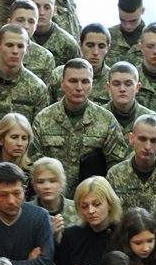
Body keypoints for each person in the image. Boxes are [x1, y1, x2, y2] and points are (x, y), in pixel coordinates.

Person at [32, 58, 129, 191]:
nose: (79, 87)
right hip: (52, 196)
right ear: (62, 84)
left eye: (85, 81)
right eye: (73, 81)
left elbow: (117, 167)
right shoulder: (43, 119)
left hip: (92, 197)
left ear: (92, 84)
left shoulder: (106, 120)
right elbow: (34, 164)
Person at [106, 115, 156, 212]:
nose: (147, 147)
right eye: (142, 139)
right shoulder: (115, 175)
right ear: (131, 139)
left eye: (154, 141)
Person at [56, 176, 123, 265]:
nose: (91, 211)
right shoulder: (71, 236)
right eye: (84, 206)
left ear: (110, 204)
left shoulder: (123, 234)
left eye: (97, 204)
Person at [0, 0, 56, 85]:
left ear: (36, 26)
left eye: (31, 22)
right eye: (20, 20)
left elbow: (46, 90)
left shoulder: (45, 58)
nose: (26, 26)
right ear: (9, 22)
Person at [28, 157, 78, 243]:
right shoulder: (26, 212)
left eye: (52, 181)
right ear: (34, 185)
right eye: (40, 182)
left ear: (62, 182)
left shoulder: (77, 209)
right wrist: (48, 233)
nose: (47, 186)